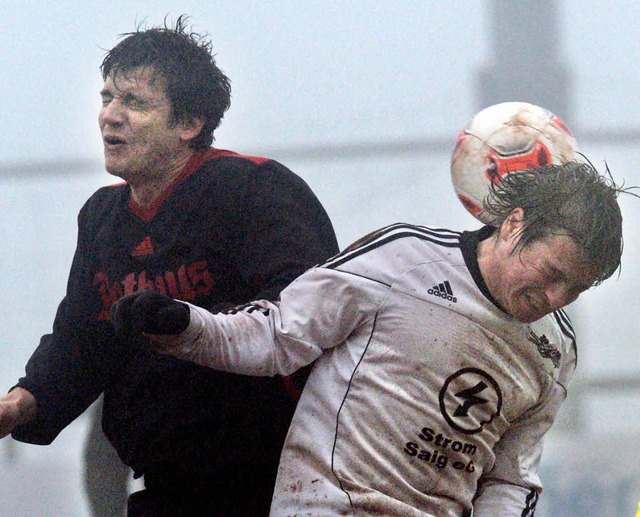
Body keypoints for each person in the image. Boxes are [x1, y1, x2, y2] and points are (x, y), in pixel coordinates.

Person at [110, 160, 634, 516]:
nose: (555, 296)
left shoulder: (555, 350)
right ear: (515, 224)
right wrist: (185, 325)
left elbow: (511, 477)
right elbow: (275, 337)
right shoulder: (404, 258)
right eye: (551, 271)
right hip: (324, 505)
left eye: (576, 289)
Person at [0, 15, 338, 516]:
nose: (110, 116)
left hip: (282, 483)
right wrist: (21, 403)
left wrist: (189, 323)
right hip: (168, 484)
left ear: (189, 124)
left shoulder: (255, 190)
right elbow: (82, 342)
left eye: (134, 103)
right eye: (106, 97)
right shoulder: (102, 217)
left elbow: (311, 321)